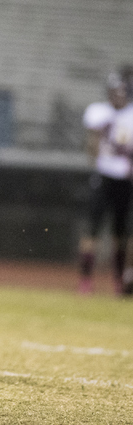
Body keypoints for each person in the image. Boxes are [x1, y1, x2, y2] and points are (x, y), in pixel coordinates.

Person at [78, 70, 133, 295]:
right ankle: (85, 281)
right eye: (114, 92)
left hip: (125, 180)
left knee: (120, 234)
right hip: (103, 176)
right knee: (92, 230)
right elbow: (92, 147)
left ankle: (119, 280)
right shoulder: (99, 112)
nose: (117, 96)